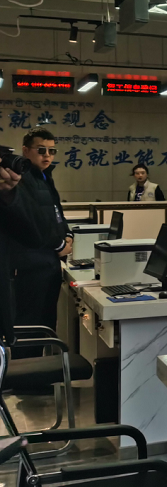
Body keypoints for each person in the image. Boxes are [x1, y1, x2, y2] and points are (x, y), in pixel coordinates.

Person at [5, 129, 72, 356]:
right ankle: (28, 373)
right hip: (30, 266)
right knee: (29, 326)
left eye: (52, 151)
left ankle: (39, 370)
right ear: (25, 151)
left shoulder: (44, 176)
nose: (47, 155)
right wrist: (59, 244)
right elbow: (31, 221)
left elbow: (55, 213)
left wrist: (67, 234)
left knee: (45, 322)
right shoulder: (22, 178)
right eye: (41, 150)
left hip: (46, 263)